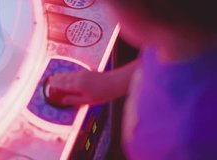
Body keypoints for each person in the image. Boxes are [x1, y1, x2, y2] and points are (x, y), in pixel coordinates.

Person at [48, 0, 217, 159]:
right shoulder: (182, 39)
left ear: (139, 15)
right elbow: (153, 60)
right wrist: (112, 82)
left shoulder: (187, 142)